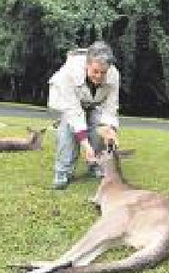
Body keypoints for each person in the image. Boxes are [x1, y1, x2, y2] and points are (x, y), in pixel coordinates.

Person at [47, 41, 119, 189]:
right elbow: (74, 113)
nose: (99, 76)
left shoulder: (114, 75)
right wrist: (85, 145)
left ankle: (95, 165)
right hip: (67, 100)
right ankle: (63, 172)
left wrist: (110, 131)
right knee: (68, 130)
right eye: (95, 71)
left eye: (103, 72)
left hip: (94, 102)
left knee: (99, 126)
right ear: (87, 65)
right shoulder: (69, 73)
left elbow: (110, 108)